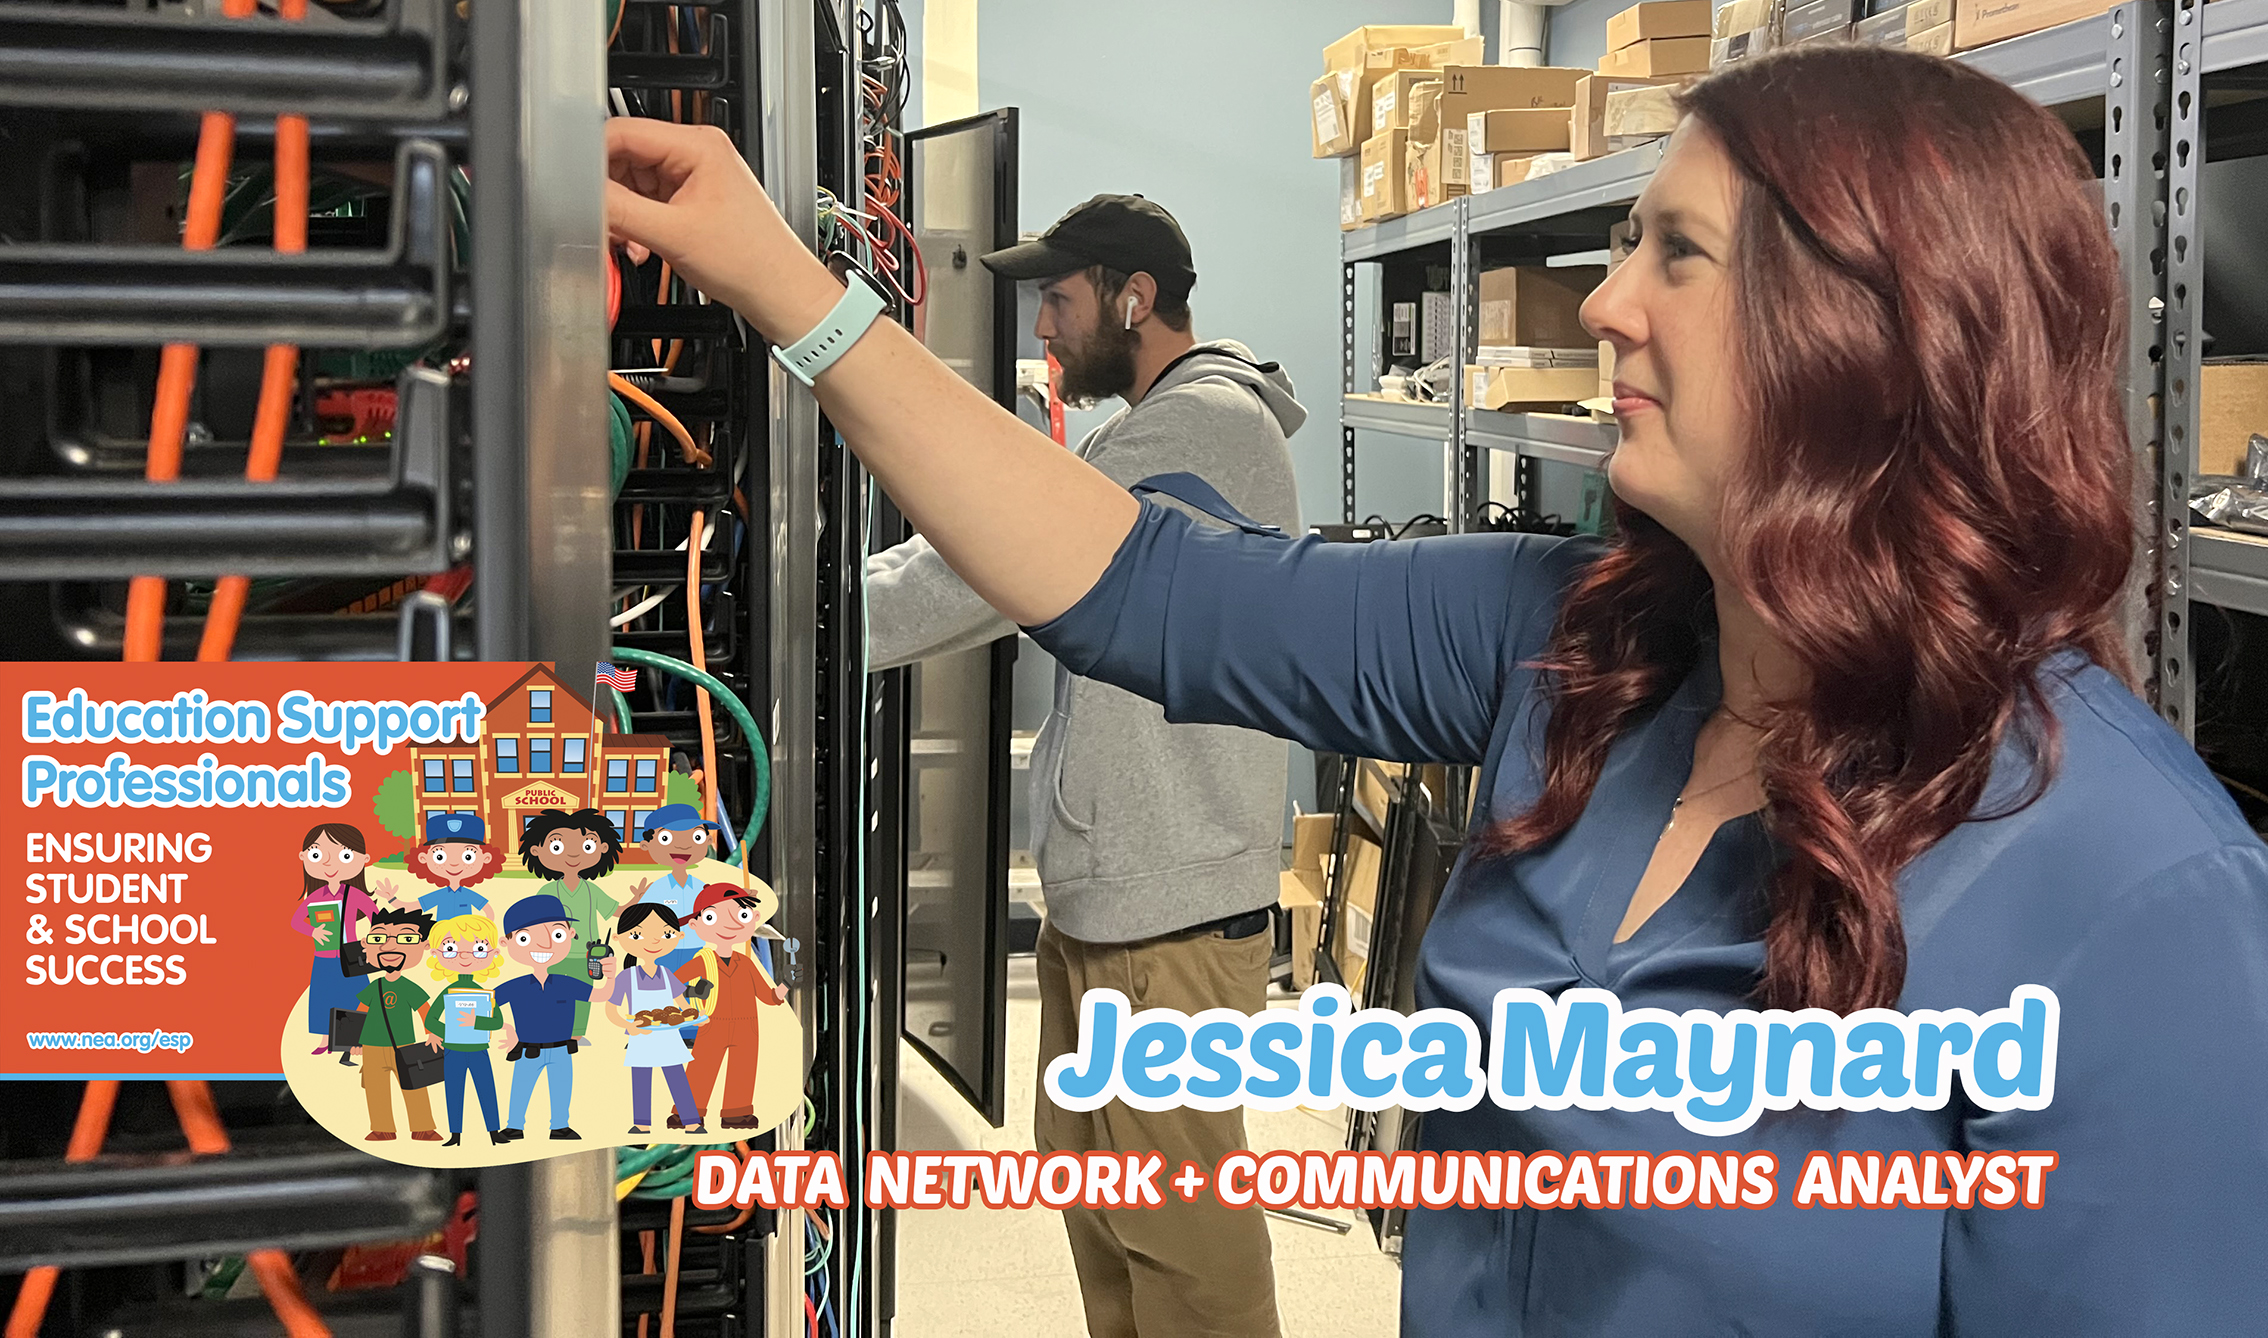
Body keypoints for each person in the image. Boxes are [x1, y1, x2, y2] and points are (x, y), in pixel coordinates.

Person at [604, 45, 2268, 1334]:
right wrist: (794, 298)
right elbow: (1145, 588)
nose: (1602, 302)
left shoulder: (2130, 897)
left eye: (1671, 254)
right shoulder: (1561, 643)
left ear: (1868, 333)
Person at [863, 192, 1301, 1335]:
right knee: (1102, 1185)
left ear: (1134, 296)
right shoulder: (1152, 423)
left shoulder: (1198, 428)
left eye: (1058, 299)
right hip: (1120, 885)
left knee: (1179, 1214)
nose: (1044, 328)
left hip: (1174, 897)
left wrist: (815, 616)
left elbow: (996, 553)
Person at [666, 883, 788, 1132]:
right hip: (714, 1023)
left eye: (740, 916)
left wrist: (786, 983)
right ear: (697, 925)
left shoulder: (746, 963)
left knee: (743, 1071)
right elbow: (672, 984)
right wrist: (690, 1001)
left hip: (747, 1027)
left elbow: (768, 996)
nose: (730, 924)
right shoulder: (704, 960)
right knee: (702, 1068)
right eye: (714, 917)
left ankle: (737, 1114)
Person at [493, 892, 600, 1142]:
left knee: (561, 1090)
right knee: (520, 1088)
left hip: (562, 1049)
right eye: (525, 937)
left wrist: (612, 974)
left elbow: (600, 994)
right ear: (507, 942)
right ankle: (514, 1126)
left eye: (556, 935)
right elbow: (488, 1003)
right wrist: (505, 1029)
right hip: (528, 1049)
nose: (544, 945)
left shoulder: (567, 983)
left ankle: (560, 1126)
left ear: (570, 936)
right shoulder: (515, 985)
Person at [518, 808, 626, 1042]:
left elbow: (615, 910)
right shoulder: (548, 890)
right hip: (554, 954)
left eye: (587, 846)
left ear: (602, 849)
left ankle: (576, 1034)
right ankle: (554, 1030)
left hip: (588, 954)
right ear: (537, 851)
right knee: (552, 993)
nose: (574, 854)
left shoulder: (591, 890)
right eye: (558, 846)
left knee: (584, 995)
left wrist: (637, 904)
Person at [603, 901, 708, 1136]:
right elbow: (611, 1010)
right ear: (621, 939)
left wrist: (697, 1018)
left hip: (668, 1036)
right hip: (641, 1036)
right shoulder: (625, 978)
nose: (653, 941)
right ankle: (642, 1124)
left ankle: (690, 1121)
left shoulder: (666, 974)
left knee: (677, 1079)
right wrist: (629, 1025)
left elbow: (683, 1006)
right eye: (639, 934)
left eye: (664, 934)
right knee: (641, 1082)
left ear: (677, 937)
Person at [291, 822, 386, 1055]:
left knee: (354, 998)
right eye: (317, 854)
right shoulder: (315, 896)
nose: (328, 863)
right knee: (324, 998)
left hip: (351, 956)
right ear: (304, 857)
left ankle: (356, 1041)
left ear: (363, 859)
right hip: (323, 957)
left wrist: (372, 940)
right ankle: (326, 1040)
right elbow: (296, 921)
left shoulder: (354, 895)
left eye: (344, 855)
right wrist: (313, 932)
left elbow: (377, 919)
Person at [352, 907, 443, 1143]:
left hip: (403, 1045)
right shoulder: (375, 986)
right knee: (375, 1089)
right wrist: (354, 1041)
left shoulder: (408, 986)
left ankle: (422, 1127)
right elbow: (361, 1012)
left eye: (406, 939)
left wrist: (431, 1033)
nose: (390, 947)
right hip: (371, 1046)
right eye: (379, 938)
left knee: (413, 1085)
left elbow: (425, 1010)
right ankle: (382, 1128)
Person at [420, 912, 504, 1147]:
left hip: (478, 1048)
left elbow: (497, 1022)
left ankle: (493, 1131)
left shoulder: (486, 993)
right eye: (452, 949)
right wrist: (450, 1032)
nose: (465, 955)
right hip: (453, 1049)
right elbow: (430, 1020)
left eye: (477, 948)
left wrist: (475, 1021)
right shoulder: (448, 992)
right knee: (454, 1092)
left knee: (487, 1089)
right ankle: (455, 1134)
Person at [408, 812, 501, 921]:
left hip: (465, 936)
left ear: (486, 858)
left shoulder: (468, 894)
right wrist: (391, 899)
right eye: (439, 856)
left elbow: (489, 912)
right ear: (423, 858)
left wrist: (482, 930)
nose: (454, 863)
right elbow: (412, 907)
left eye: (468, 856)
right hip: (442, 936)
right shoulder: (440, 895)